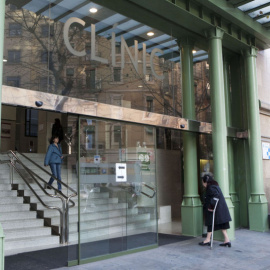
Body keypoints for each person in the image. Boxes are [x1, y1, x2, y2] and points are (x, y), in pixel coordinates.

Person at [199, 174, 232, 247]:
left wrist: (211, 206)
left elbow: (215, 196)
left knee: (210, 223)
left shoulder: (211, 187)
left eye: (203, 182)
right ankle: (227, 240)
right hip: (220, 209)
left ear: (206, 182)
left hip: (215, 210)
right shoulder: (215, 186)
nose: (203, 184)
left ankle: (207, 240)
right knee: (222, 224)